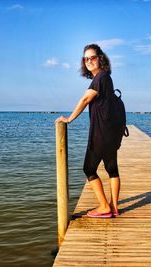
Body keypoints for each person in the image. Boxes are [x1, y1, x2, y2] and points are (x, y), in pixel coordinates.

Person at [55, 44, 122, 218]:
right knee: (112, 169)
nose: (89, 61)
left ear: (100, 58)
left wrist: (69, 119)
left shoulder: (99, 78)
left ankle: (104, 207)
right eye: (86, 59)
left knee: (88, 169)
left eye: (92, 57)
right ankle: (114, 208)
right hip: (111, 134)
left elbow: (85, 99)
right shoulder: (106, 77)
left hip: (101, 133)